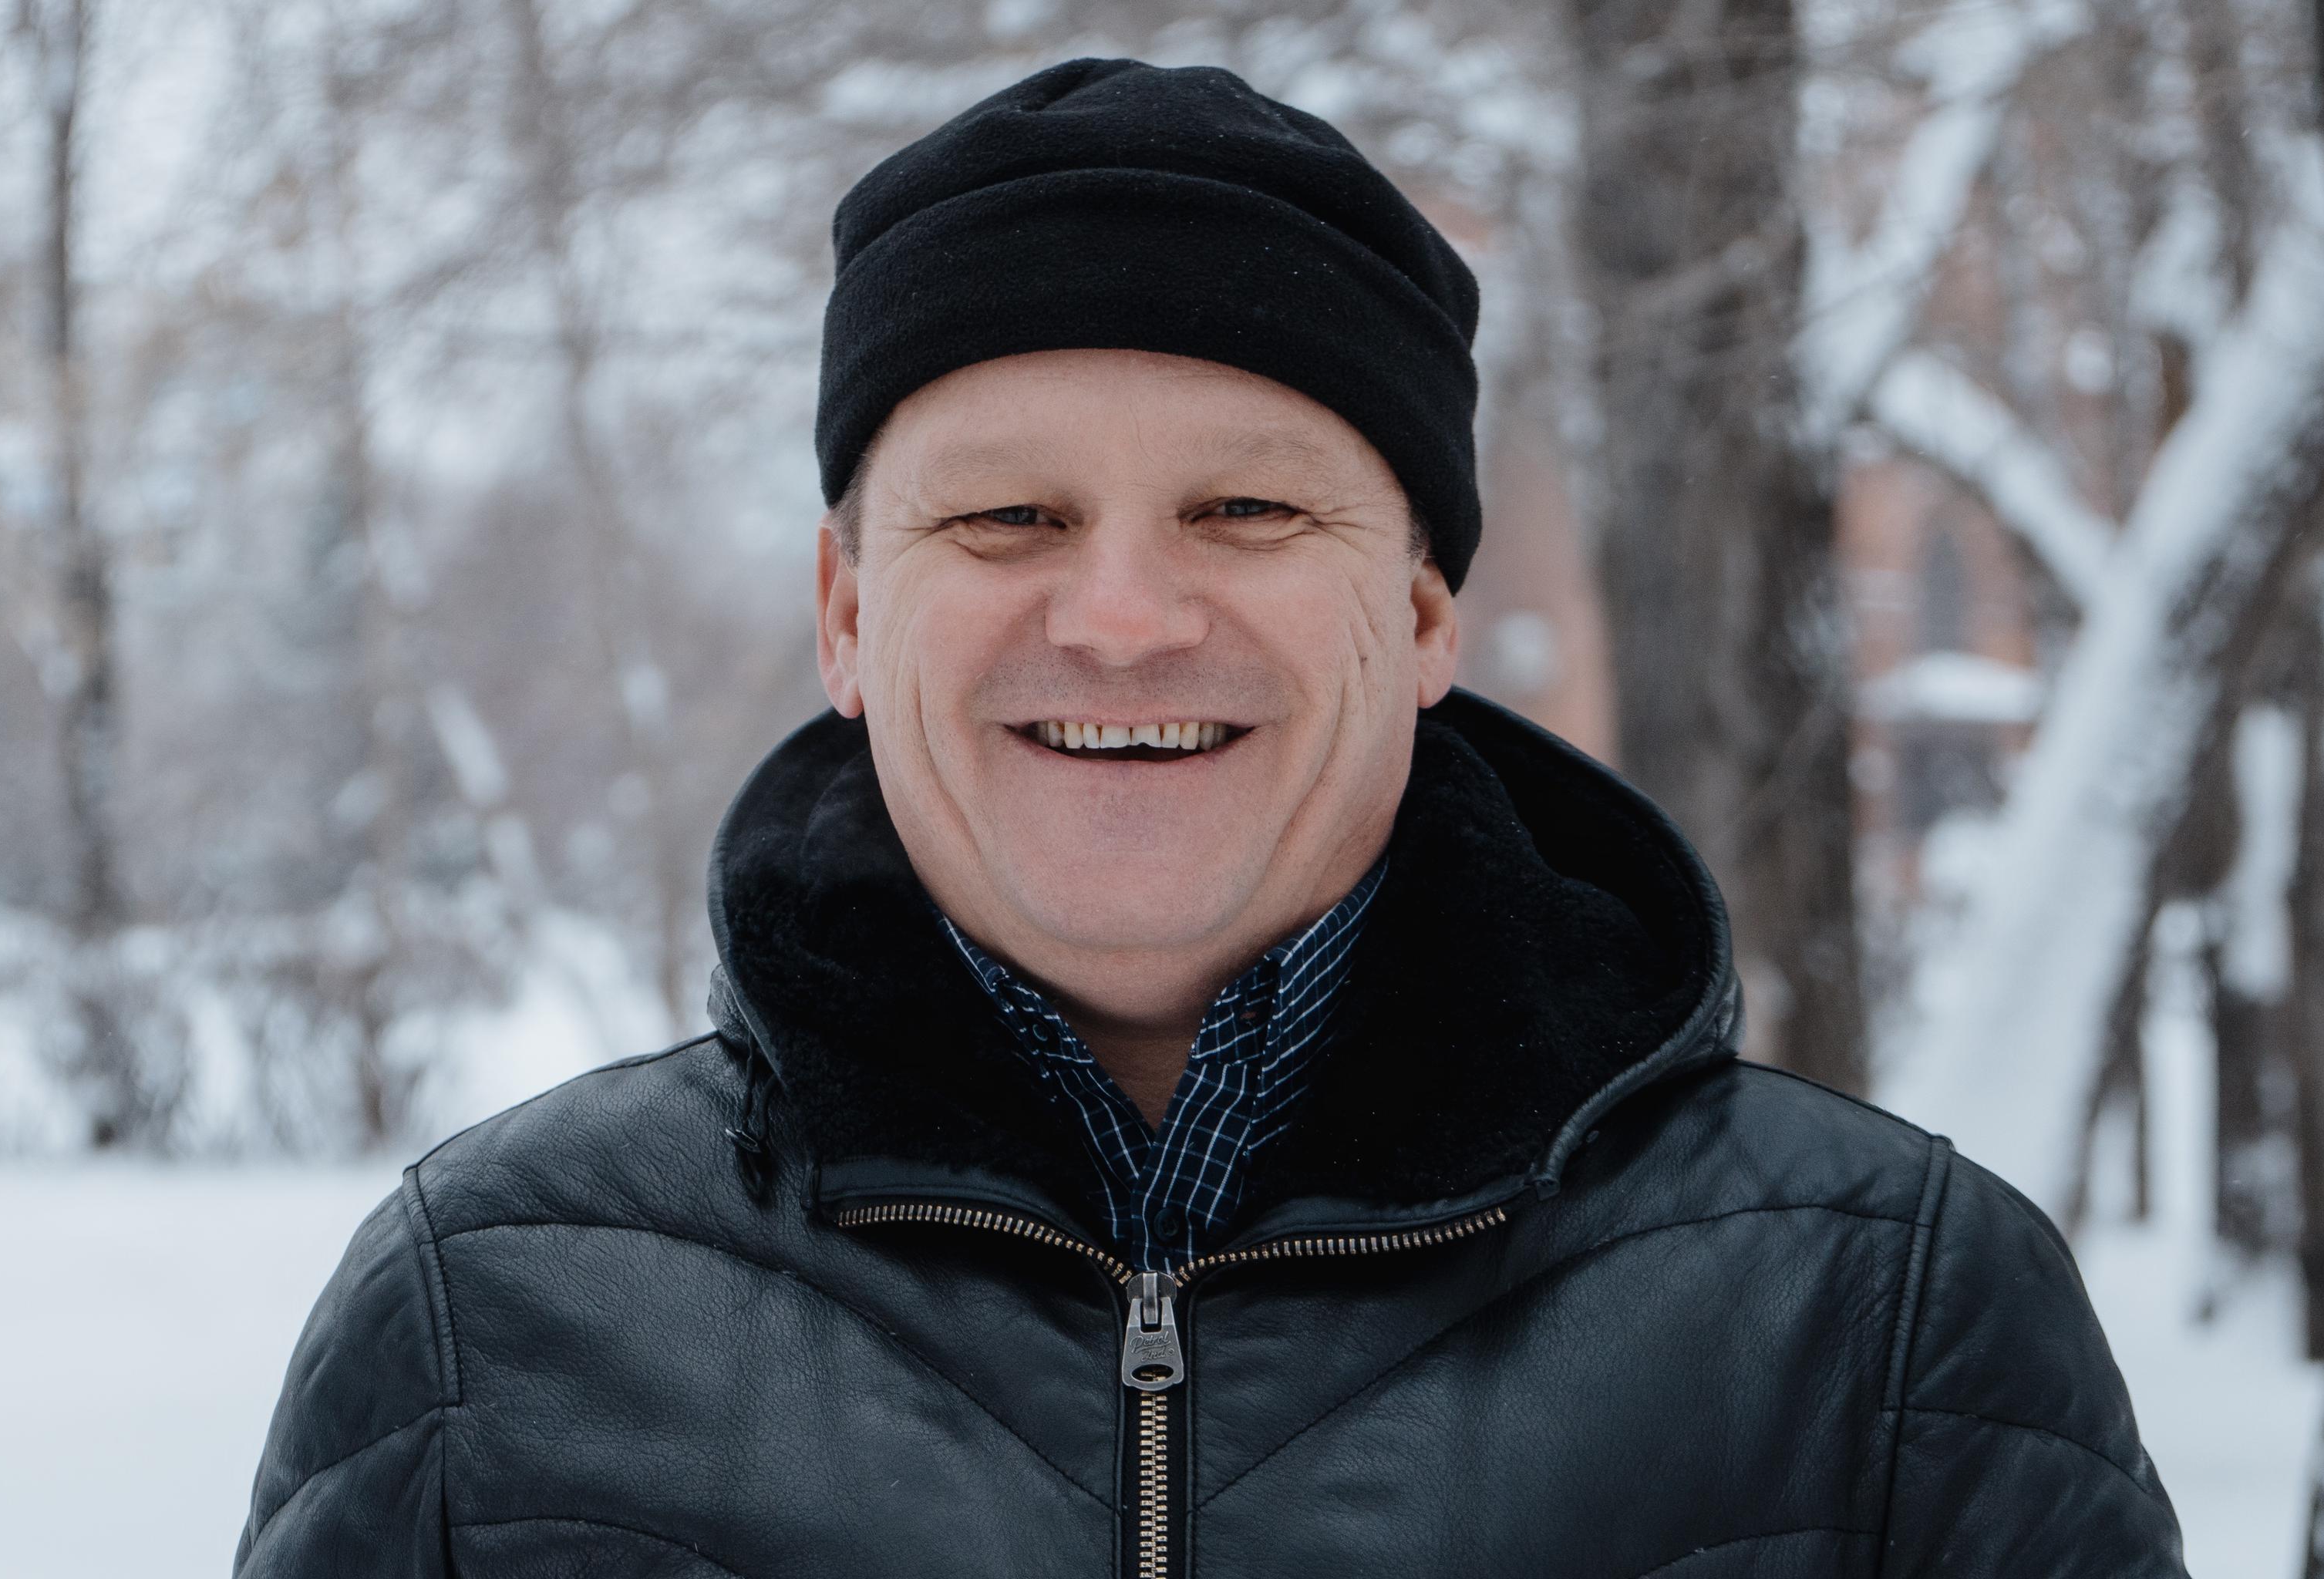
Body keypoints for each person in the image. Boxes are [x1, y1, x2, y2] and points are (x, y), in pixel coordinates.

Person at [235, 58, 2188, 1577]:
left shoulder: (1876, 1326)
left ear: (1418, 612)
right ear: (843, 611)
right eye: (1008, 515)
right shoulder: (489, 1332)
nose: (1119, 617)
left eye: (1243, 510)